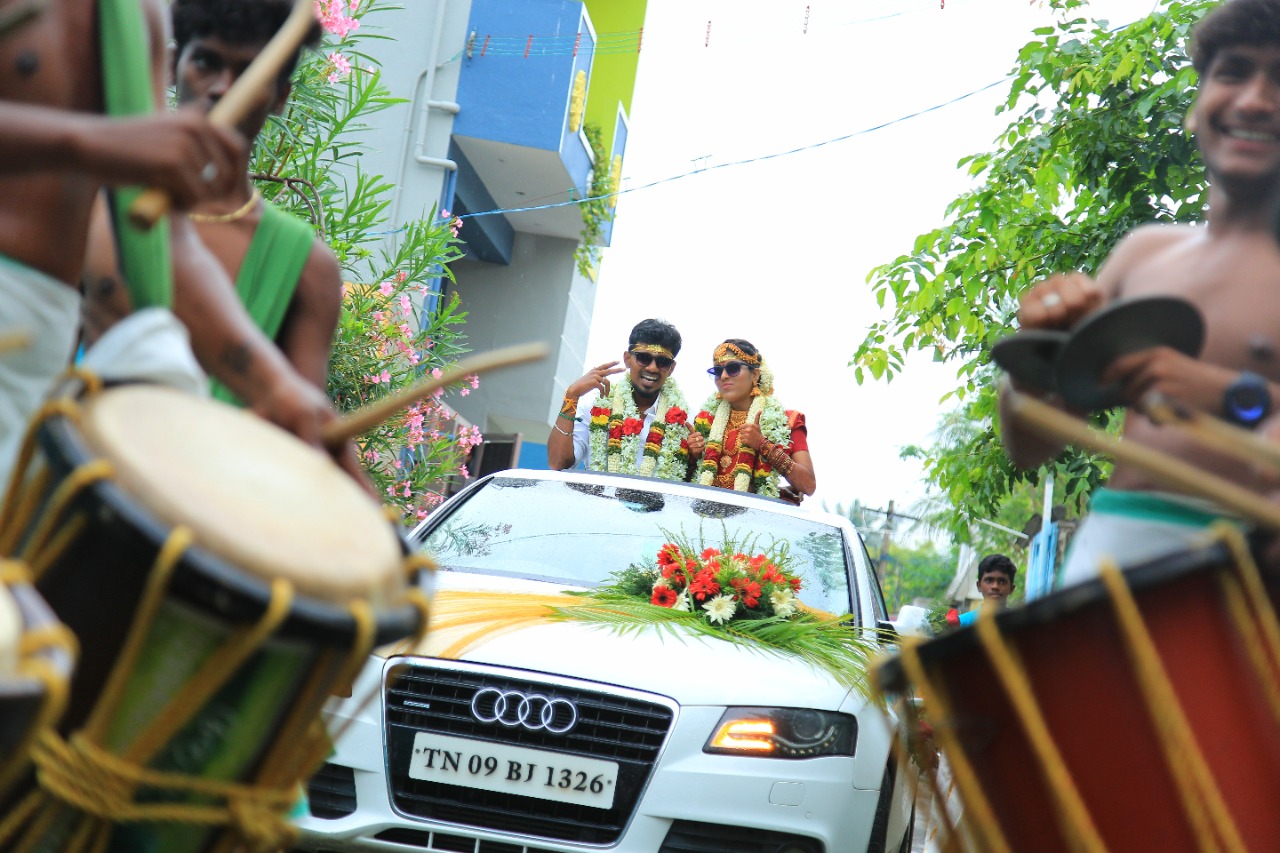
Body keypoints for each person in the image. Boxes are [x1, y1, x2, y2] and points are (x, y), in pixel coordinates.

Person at [0, 0, 336, 493]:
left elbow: (166, 244)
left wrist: (278, 387)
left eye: (246, 72)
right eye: (207, 63)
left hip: (35, 364)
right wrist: (89, 142)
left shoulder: (139, 16)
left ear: (280, 96)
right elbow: (105, 146)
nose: (223, 87)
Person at [1000, 0, 1280, 586]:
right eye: (1234, 72)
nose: (1255, 99)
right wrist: (1035, 360)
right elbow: (1029, 445)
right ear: (1196, 105)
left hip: (1251, 582)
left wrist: (1232, 394)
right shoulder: (1144, 252)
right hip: (1108, 557)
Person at [547, 318, 693, 479]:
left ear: (671, 368)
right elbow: (558, 463)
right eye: (644, 358)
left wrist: (693, 457)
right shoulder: (596, 404)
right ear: (627, 358)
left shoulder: (685, 419)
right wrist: (571, 396)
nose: (652, 367)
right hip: (600, 501)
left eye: (662, 362)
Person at [688, 339, 816, 501]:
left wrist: (763, 445)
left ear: (755, 374)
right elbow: (679, 481)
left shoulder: (787, 421)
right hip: (706, 517)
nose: (724, 376)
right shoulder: (704, 421)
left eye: (733, 369)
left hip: (755, 522)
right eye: (718, 371)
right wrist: (693, 456)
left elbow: (808, 485)